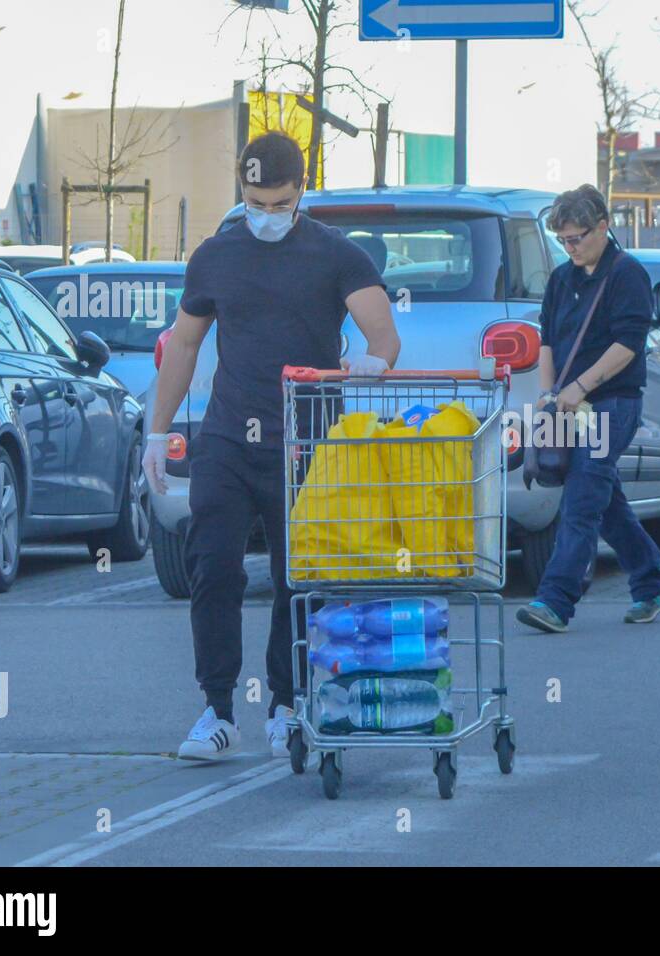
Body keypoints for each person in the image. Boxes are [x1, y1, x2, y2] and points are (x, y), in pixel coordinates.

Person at [142, 132, 401, 760]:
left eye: (279, 204)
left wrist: (372, 363)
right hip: (228, 435)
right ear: (242, 192)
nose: (266, 216)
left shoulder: (334, 254)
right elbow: (184, 343)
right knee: (213, 567)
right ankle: (218, 709)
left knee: (297, 577)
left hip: (304, 438)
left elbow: (383, 335)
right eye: (255, 202)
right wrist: (158, 428)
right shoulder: (216, 255)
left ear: (301, 193)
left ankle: (287, 703)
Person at [515, 184, 660, 634]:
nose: (570, 248)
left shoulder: (627, 274)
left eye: (577, 238)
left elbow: (628, 344)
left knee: (584, 495)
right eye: (562, 241)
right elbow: (547, 340)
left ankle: (555, 600)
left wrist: (581, 386)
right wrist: (549, 395)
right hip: (567, 405)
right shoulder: (561, 278)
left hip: (610, 403)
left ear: (603, 226)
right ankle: (653, 580)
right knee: (605, 502)